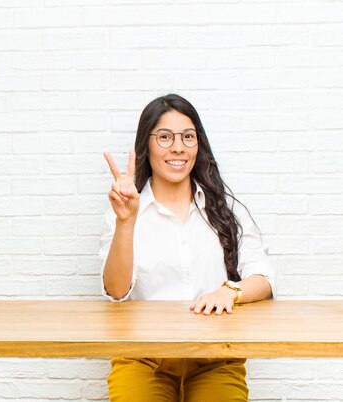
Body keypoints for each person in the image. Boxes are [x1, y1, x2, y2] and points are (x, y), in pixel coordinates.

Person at [99, 94, 276, 402]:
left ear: (198, 145)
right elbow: (116, 290)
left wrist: (229, 291)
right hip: (142, 358)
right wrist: (125, 223)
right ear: (147, 144)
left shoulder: (226, 210)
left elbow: (263, 278)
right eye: (165, 137)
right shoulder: (126, 212)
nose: (178, 147)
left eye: (188, 137)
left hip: (215, 359)